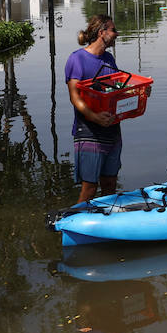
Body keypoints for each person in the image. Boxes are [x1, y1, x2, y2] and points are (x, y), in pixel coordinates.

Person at [65, 15, 123, 203]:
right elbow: (75, 97)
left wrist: (141, 93)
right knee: (89, 188)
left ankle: (108, 225)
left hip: (112, 129)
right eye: (113, 30)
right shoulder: (77, 59)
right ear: (102, 33)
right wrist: (95, 117)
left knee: (110, 184)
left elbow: (118, 90)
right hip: (89, 131)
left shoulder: (109, 59)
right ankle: (76, 224)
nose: (116, 34)